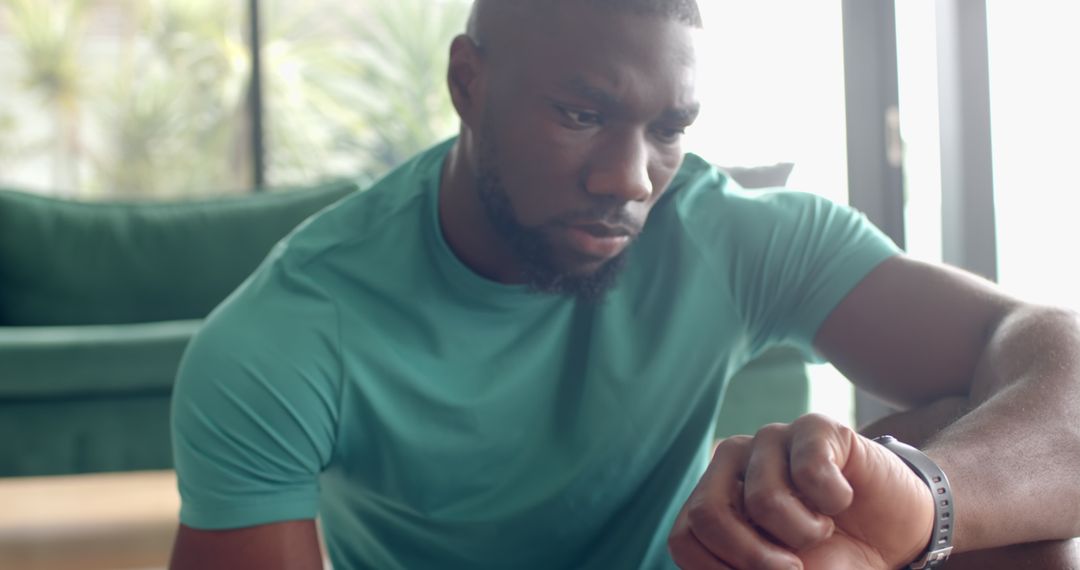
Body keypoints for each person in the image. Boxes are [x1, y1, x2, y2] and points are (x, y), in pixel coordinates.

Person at [167, 0, 1080, 568]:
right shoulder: (288, 335)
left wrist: (920, 502)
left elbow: (1059, 367)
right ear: (468, 82)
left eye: (668, 129)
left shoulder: (730, 231)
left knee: (1008, 516)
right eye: (581, 114)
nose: (631, 179)